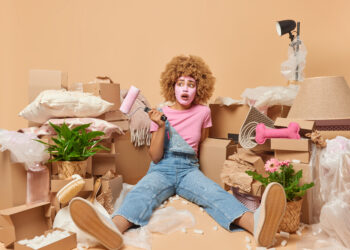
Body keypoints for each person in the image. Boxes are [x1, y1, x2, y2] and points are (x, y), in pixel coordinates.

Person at [69, 55, 286, 250]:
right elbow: (155, 156)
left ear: (199, 88)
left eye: (191, 84)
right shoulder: (160, 113)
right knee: (141, 193)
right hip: (161, 168)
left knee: (214, 194)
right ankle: (111, 231)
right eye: (180, 83)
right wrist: (161, 127)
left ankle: (257, 225)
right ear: (172, 86)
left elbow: (201, 143)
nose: (185, 88)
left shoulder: (203, 112)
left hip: (188, 170)